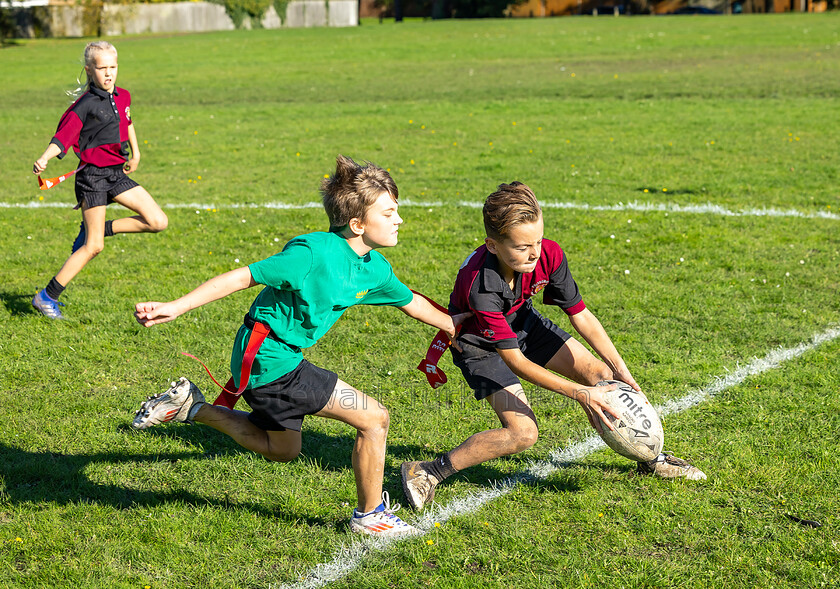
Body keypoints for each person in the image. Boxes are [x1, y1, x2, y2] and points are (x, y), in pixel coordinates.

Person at [131, 155, 464, 536]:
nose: (399, 220)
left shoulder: (373, 267)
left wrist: (454, 326)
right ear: (357, 224)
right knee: (374, 418)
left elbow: (411, 302)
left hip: (280, 359)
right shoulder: (311, 253)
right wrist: (177, 306)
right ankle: (370, 516)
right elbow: (243, 276)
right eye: (389, 213)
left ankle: (193, 407)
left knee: (283, 449)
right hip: (270, 359)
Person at [402, 182, 705, 511]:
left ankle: (651, 457)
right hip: (480, 347)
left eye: (537, 241)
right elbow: (516, 362)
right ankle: (428, 472)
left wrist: (620, 370)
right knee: (523, 433)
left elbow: (582, 315)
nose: (534, 253)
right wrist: (581, 394)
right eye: (521, 247)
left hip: (524, 325)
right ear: (492, 245)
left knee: (603, 375)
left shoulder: (549, 254)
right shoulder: (482, 286)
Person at [31, 41, 167, 319]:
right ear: (89, 70)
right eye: (102, 68)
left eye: (113, 67)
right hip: (92, 178)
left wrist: (136, 152)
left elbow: (127, 122)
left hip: (116, 173)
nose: (108, 73)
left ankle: (101, 228)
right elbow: (63, 138)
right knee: (93, 247)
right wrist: (45, 157)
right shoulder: (84, 105)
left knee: (158, 221)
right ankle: (46, 297)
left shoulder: (123, 95)